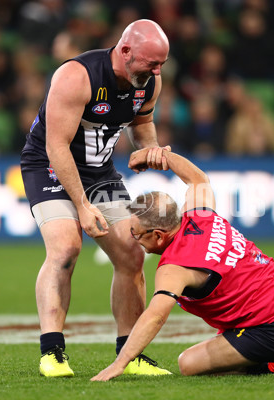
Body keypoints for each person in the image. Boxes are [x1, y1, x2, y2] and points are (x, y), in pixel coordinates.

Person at [91, 148, 274, 381]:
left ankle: (266, 363)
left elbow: (155, 317)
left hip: (273, 324)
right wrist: (163, 155)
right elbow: (198, 179)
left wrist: (120, 363)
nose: (133, 239)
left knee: (188, 363)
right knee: (236, 333)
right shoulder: (200, 215)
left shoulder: (172, 268)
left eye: (136, 234)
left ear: (158, 235)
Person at [20, 19, 172, 377]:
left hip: (99, 172)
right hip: (50, 167)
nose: (157, 70)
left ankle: (129, 354)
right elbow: (56, 146)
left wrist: (148, 149)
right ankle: (52, 352)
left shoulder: (148, 81)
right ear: (125, 51)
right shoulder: (76, 77)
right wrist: (84, 207)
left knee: (132, 255)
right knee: (65, 248)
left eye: (161, 64)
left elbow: (141, 123)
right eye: (152, 63)